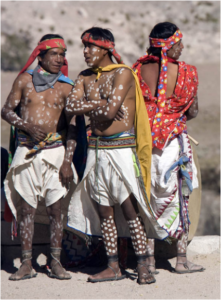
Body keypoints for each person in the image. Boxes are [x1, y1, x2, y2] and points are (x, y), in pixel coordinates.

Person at [66, 27, 169, 285]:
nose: (85, 52)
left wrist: (96, 107)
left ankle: (144, 264)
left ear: (105, 49)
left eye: (90, 47)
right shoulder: (84, 76)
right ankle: (113, 266)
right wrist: (101, 103)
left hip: (121, 149)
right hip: (97, 149)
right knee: (104, 211)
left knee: (130, 209)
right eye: (84, 47)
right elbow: (71, 107)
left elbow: (111, 113)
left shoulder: (123, 73)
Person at [1, 33, 79, 280]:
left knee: (57, 209)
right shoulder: (24, 81)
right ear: (41, 55)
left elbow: (73, 128)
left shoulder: (67, 86)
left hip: (56, 154)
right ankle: (26, 264)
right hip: (27, 151)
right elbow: (6, 110)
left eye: (62, 54)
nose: (59, 59)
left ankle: (55, 262)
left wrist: (67, 162)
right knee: (26, 209)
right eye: (54, 54)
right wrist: (25, 125)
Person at [132, 22, 205, 274]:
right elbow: (193, 111)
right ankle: (181, 260)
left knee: (146, 197)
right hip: (174, 144)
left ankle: (149, 261)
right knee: (181, 195)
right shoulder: (187, 72)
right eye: (178, 44)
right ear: (168, 46)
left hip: (140, 144)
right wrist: (173, 118)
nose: (182, 48)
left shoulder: (135, 70)